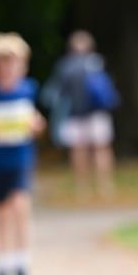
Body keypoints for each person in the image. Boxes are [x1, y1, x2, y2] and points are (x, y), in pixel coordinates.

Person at [0, 33, 45, 275]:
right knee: (2, 212)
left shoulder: (28, 90)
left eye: (14, 63)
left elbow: (38, 122)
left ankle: (22, 262)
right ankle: (3, 262)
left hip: (21, 158)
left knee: (20, 205)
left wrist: (36, 124)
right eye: (3, 63)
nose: (8, 69)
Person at [41, 31, 118, 200]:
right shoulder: (97, 62)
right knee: (99, 148)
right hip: (95, 113)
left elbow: (55, 92)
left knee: (82, 150)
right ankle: (103, 186)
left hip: (76, 114)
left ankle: (83, 188)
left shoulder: (65, 65)